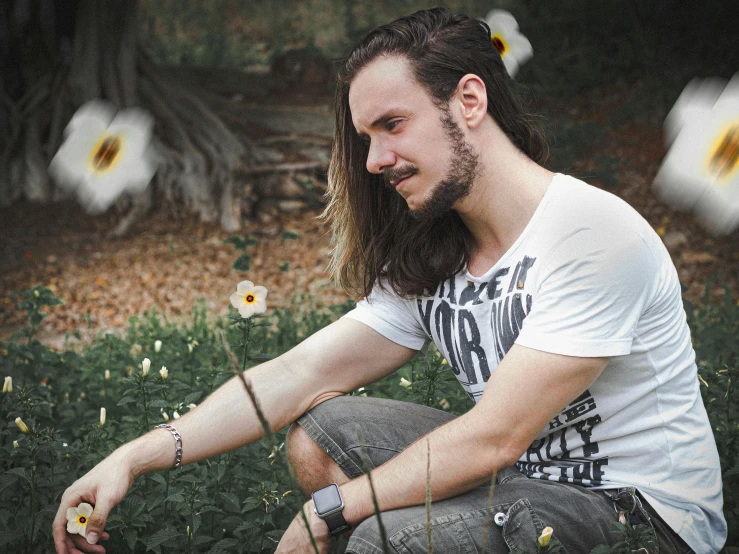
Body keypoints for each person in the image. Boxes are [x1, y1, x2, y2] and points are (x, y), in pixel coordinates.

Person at [53, 8, 726, 554]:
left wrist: (328, 513)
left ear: (468, 100)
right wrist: (133, 457)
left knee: (384, 538)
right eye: (366, 136)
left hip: (636, 515)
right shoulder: (439, 246)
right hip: (523, 481)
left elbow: (495, 438)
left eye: (393, 125)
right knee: (320, 431)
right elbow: (300, 371)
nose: (375, 159)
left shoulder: (589, 233)